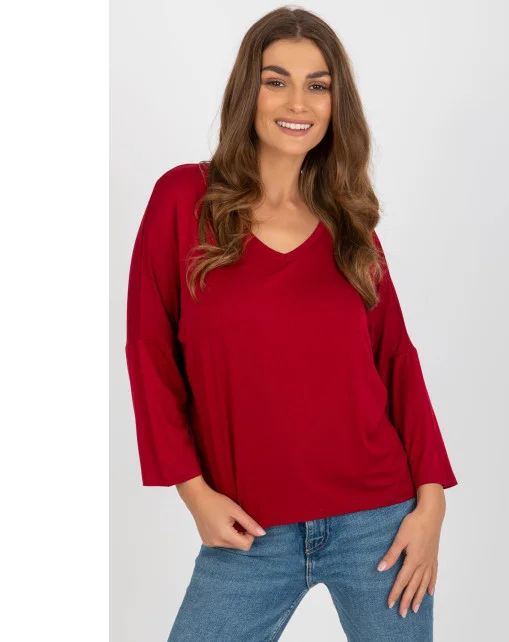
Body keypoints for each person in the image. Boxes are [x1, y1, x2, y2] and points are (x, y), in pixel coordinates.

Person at [124, 6, 458, 640]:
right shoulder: (183, 200)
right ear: (246, 92)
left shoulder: (350, 226)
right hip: (248, 530)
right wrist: (194, 492)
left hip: (379, 524)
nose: (298, 102)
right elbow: (149, 351)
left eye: (318, 84)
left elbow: (395, 361)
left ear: (336, 104)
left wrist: (432, 502)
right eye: (276, 80)